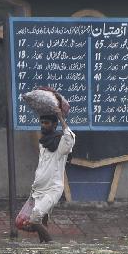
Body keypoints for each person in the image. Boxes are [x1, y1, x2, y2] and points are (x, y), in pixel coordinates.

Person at [25, 97, 75, 243]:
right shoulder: (43, 143)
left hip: (53, 189)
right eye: (42, 123)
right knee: (42, 221)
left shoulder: (61, 144)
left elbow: (69, 138)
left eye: (46, 123)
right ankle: (44, 249)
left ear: (54, 125)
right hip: (39, 189)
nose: (43, 125)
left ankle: (52, 247)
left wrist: (60, 116)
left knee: (35, 219)